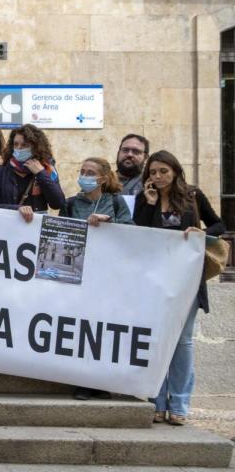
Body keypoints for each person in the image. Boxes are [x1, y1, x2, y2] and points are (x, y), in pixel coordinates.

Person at [133, 151, 224, 426]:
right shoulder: (144, 198)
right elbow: (139, 233)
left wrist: (202, 233)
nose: (158, 176)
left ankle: (180, 404)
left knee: (182, 342)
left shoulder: (192, 196)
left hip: (187, 279)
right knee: (157, 339)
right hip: (155, 279)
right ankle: (157, 401)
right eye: (153, 172)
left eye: (163, 171)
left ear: (175, 171)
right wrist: (150, 203)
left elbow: (219, 223)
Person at [60, 157, 133, 401]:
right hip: (80, 271)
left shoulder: (116, 202)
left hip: (110, 274)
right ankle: (82, 381)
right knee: (81, 326)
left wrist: (109, 221)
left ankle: (100, 381)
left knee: (104, 327)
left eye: (90, 172)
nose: (84, 176)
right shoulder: (71, 203)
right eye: (82, 171)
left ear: (102, 178)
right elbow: (61, 231)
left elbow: (132, 229)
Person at [0, 124, 64, 223]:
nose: (19, 148)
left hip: (34, 227)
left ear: (36, 147)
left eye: (25, 145)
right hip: (7, 226)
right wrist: (17, 209)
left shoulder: (47, 170)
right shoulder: (0, 172)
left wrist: (41, 174)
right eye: (16, 144)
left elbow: (58, 203)